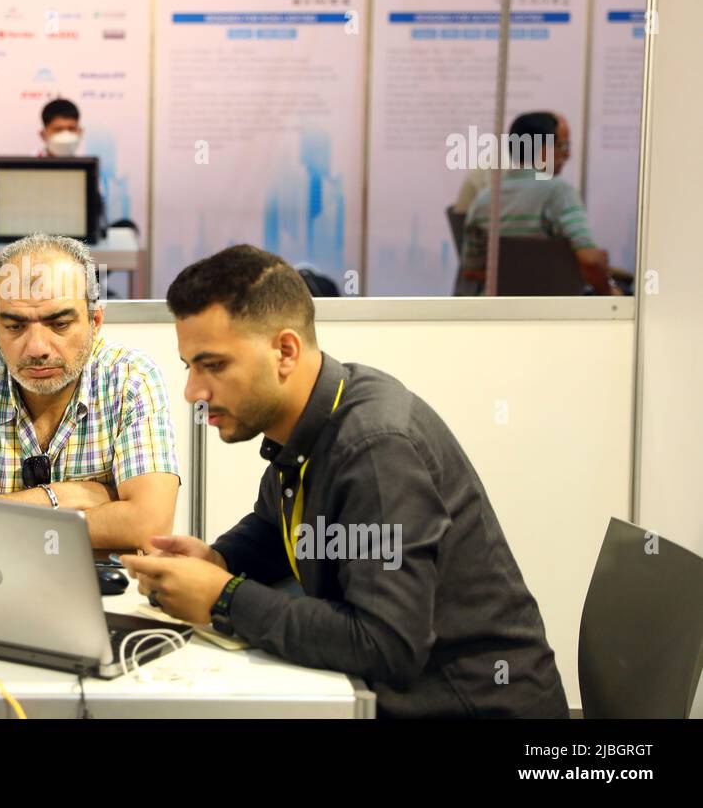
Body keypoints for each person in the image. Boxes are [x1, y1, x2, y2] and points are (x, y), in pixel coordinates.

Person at [120, 245, 569, 718]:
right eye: (188, 366)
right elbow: (277, 528)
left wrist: (223, 597)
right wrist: (220, 557)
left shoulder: (376, 448)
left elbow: (385, 643)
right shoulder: (317, 417)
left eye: (213, 366)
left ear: (285, 351)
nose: (194, 391)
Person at [0, 233, 180, 550]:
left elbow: (149, 524)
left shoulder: (130, 379)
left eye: (58, 324)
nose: (37, 348)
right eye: (15, 326)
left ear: (95, 321)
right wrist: (69, 496)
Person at [458, 112, 615, 294]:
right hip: (552, 311)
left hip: (496, 312)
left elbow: (471, 269)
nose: (567, 154)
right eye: (561, 146)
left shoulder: (484, 199)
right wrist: (611, 295)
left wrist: (517, 274)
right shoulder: (559, 192)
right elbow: (591, 261)